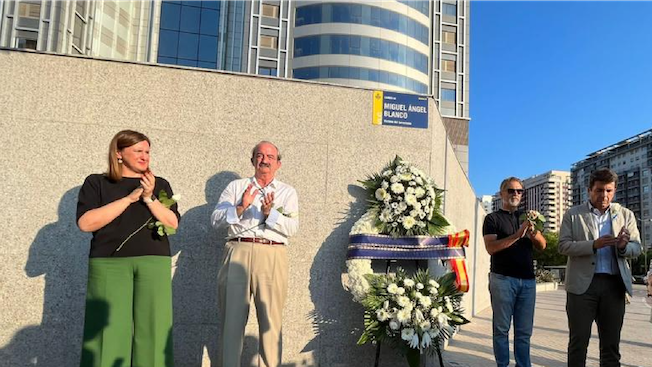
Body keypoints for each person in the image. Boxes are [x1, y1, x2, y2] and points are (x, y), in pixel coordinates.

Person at [76, 130, 179, 367]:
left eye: (147, 152)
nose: (145, 156)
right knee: (106, 328)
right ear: (119, 153)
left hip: (154, 260)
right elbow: (85, 223)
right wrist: (129, 199)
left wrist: (149, 197)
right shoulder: (97, 182)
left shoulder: (160, 184)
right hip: (109, 263)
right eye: (138, 151)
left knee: (155, 327)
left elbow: (172, 223)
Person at [211, 141, 299, 367]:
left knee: (271, 321)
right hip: (238, 249)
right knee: (232, 320)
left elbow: (292, 228)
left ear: (278, 163)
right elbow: (215, 220)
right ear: (252, 161)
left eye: (270, 156)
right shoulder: (236, 186)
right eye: (259, 155)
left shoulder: (287, 192)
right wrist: (240, 207)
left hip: (272, 253)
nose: (264, 160)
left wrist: (271, 215)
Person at [559, 168, 641, 367]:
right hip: (581, 287)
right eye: (599, 190)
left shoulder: (625, 214)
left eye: (609, 191)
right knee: (578, 343)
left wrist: (622, 246)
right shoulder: (573, 214)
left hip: (614, 286)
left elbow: (637, 247)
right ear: (589, 190)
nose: (604, 195)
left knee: (611, 345)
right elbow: (563, 246)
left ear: (614, 191)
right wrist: (593, 245)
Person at [482, 177, 546, 367]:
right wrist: (518, 235)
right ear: (502, 193)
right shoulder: (492, 218)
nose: (515, 194)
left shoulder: (527, 218)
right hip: (502, 279)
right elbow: (491, 248)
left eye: (519, 191)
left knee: (524, 332)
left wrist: (533, 232)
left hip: (527, 282)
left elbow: (543, 245)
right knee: (501, 330)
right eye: (510, 190)